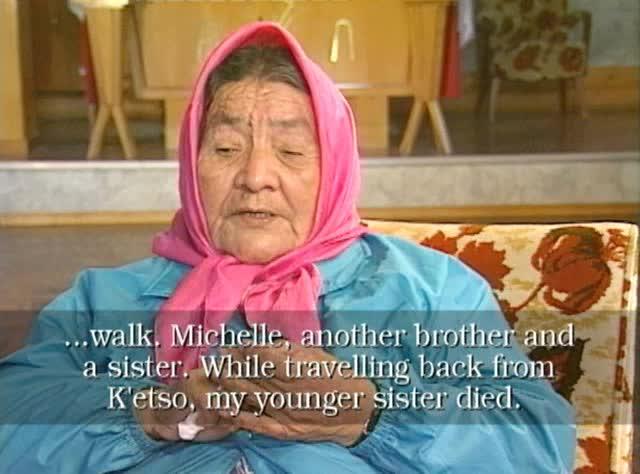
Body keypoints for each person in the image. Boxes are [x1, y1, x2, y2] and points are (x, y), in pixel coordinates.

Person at [0, 22, 575, 473]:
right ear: (191, 165)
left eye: (293, 152)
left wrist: (369, 413)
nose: (255, 177)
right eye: (226, 149)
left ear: (336, 168)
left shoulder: (431, 290)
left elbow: (538, 444)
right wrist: (149, 413)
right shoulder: (105, 299)